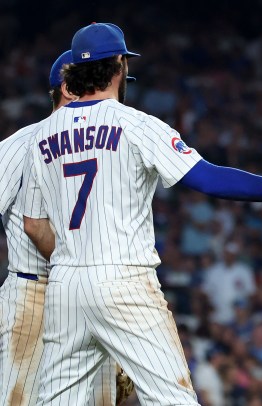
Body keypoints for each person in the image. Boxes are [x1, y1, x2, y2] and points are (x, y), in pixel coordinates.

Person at [16, 22, 262, 405]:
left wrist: (74, 260)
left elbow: (33, 224)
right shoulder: (137, 125)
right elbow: (209, 179)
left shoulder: (40, 136)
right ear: (119, 65)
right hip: (123, 280)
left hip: (64, 285)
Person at [0, 51, 130, 406]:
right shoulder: (20, 145)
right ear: (70, 89)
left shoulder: (108, 144)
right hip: (34, 297)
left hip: (90, 294)